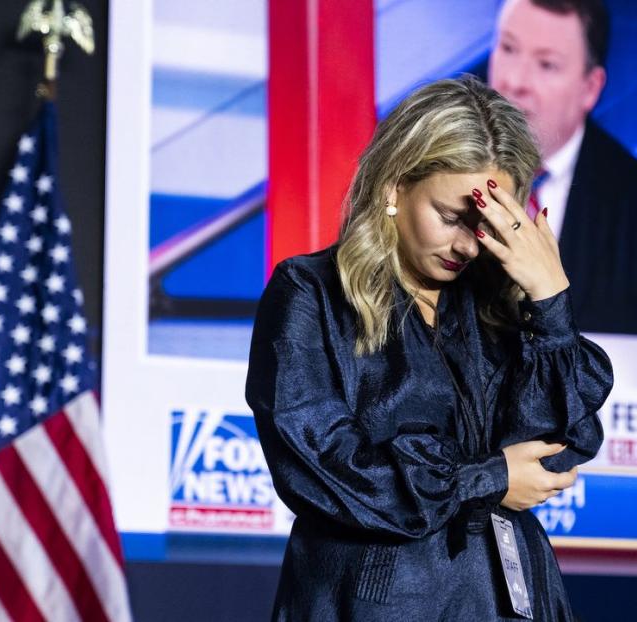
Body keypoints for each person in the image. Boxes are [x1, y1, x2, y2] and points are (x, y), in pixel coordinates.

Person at [245, 77, 613, 620]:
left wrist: (550, 302)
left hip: (512, 600)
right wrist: (487, 478)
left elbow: (563, 445)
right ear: (394, 187)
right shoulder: (312, 293)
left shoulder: (498, 307)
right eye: (450, 217)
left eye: (485, 226)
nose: (467, 244)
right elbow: (327, 472)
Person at [488, 0, 637, 391]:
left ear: (590, 88)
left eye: (546, 64)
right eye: (508, 49)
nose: (516, 81)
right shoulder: (433, 181)